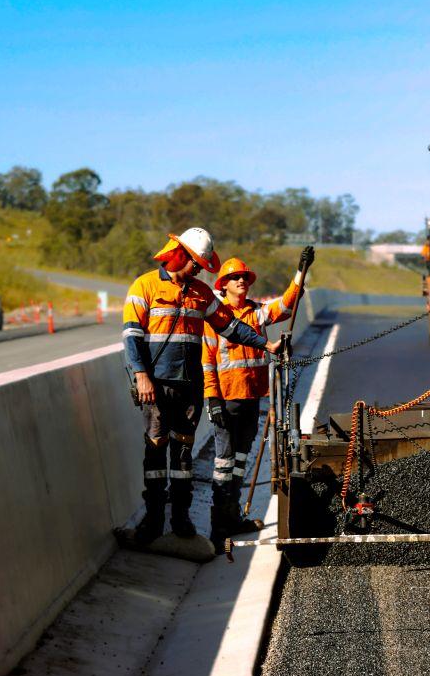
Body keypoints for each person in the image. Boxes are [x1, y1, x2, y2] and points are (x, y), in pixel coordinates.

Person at [122, 227, 282, 544]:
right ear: (180, 255)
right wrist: (141, 375)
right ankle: (153, 522)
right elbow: (131, 336)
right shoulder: (145, 286)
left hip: (189, 388)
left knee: (183, 456)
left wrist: (265, 344)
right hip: (156, 385)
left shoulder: (201, 293)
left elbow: (230, 327)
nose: (199, 271)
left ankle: (180, 521)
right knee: (155, 452)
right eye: (196, 264)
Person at [202, 246, 313, 547]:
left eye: (244, 277)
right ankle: (218, 527)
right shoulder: (216, 317)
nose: (241, 281)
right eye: (235, 277)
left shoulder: (255, 313)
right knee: (224, 464)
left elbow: (286, 306)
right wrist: (212, 399)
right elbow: (207, 361)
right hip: (226, 401)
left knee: (239, 462)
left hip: (251, 398)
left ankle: (232, 517)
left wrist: (300, 272)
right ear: (223, 284)